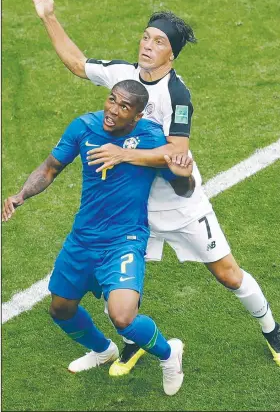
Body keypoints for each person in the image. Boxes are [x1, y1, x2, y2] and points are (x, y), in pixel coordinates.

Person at [26, 0, 280, 374]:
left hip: (180, 203)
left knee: (228, 274)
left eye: (159, 41)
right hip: (133, 210)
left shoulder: (177, 94)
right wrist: (49, 17)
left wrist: (124, 154)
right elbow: (78, 63)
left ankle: (272, 330)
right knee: (121, 291)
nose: (147, 45)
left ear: (172, 54)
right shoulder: (122, 77)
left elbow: (176, 153)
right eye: (146, 37)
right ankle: (132, 343)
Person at [2, 79, 197, 396]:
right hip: (82, 239)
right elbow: (51, 168)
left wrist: (184, 175)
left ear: (136, 117)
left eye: (123, 107)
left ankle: (168, 354)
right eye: (112, 100)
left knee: (123, 316)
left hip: (124, 240)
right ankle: (103, 350)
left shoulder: (149, 137)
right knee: (61, 309)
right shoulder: (84, 126)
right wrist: (21, 194)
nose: (113, 110)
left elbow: (182, 189)